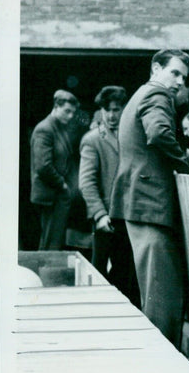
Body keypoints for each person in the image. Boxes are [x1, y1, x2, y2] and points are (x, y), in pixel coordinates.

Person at [110, 49, 189, 347]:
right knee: (163, 297)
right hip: (152, 204)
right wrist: (186, 170)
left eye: (183, 76)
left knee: (153, 291)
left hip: (139, 202)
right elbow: (158, 134)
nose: (179, 82)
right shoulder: (158, 95)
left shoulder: (142, 94)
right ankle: (164, 366)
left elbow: (155, 139)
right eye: (174, 73)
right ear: (157, 68)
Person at [78, 85, 140, 307]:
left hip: (129, 215)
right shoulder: (92, 139)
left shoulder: (131, 135)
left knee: (128, 277)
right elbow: (86, 182)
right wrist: (99, 214)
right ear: (101, 110)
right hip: (106, 220)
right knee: (100, 277)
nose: (112, 115)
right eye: (107, 110)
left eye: (117, 109)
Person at [30, 90, 81, 250]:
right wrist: (63, 185)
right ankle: (44, 274)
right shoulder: (44, 129)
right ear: (56, 107)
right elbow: (43, 166)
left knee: (54, 241)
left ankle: (47, 273)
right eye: (67, 111)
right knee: (50, 243)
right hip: (50, 196)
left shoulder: (60, 128)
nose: (71, 116)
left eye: (73, 112)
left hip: (58, 196)